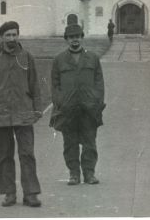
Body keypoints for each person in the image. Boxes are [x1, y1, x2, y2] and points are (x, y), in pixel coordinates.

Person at [0, 21, 42, 207]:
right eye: (8, 35)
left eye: (14, 34)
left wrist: (38, 108)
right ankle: (9, 193)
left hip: (23, 112)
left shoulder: (26, 57)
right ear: (1, 37)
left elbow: (34, 85)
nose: (12, 38)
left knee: (27, 154)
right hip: (1, 114)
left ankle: (31, 193)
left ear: (18, 35)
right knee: (4, 155)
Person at [50, 24, 106, 185]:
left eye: (77, 36)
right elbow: (54, 85)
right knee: (70, 143)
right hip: (68, 109)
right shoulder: (59, 60)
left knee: (90, 142)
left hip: (89, 108)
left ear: (82, 37)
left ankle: (89, 173)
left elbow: (99, 83)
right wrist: (60, 102)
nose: (75, 40)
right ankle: (74, 174)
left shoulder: (93, 58)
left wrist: (97, 102)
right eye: (71, 37)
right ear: (66, 40)